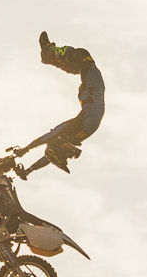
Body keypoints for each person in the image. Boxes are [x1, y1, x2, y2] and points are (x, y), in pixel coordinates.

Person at [11, 31, 104, 179]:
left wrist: (28, 164)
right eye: (68, 155)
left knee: (82, 58)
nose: (71, 153)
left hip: (92, 94)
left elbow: (49, 145)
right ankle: (51, 55)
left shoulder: (69, 134)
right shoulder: (72, 135)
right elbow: (50, 152)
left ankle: (50, 55)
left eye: (67, 154)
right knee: (81, 58)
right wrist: (26, 152)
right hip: (92, 94)